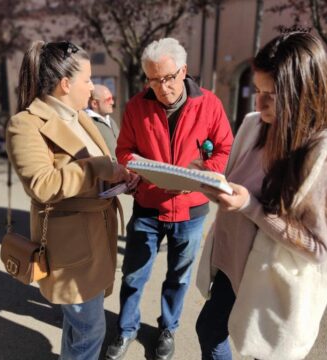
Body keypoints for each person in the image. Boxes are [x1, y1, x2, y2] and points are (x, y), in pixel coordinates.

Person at [195, 31, 327, 360]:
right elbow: (237, 184)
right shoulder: (254, 125)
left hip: (272, 285)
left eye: (271, 95)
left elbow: (318, 249)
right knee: (209, 330)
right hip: (232, 264)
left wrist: (249, 206)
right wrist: (208, 177)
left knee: (264, 353)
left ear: (305, 93)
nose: (259, 104)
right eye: (257, 91)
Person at [6, 40, 138, 360]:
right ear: (66, 84)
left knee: (80, 327)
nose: (93, 87)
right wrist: (99, 168)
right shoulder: (25, 124)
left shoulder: (79, 116)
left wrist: (120, 178)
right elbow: (42, 184)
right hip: (71, 248)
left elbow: (95, 170)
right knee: (90, 330)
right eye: (89, 79)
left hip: (97, 233)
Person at [105, 37, 233, 360]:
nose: (162, 87)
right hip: (148, 206)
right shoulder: (136, 106)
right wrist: (132, 167)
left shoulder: (210, 105)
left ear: (183, 70)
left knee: (179, 276)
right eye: (154, 80)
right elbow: (124, 150)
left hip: (192, 211)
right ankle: (126, 329)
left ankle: (167, 327)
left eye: (168, 78)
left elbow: (224, 149)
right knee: (134, 274)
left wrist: (198, 177)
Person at [85, 84, 120, 160]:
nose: (112, 102)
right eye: (108, 100)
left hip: (121, 168)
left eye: (112, 98)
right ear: (94, 104)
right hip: (106, 169)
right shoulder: (87, 122)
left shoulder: (111, 120)